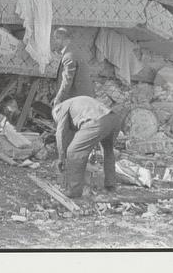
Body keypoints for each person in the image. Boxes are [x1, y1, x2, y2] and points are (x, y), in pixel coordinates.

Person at [53, 95, 121, 198]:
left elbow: (60, 133)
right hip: (113, 118)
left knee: (73, 152)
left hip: (97, 121)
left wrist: (61, 158)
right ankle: (110, 185)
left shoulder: (59, 109)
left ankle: (74, 191)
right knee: (108, 150)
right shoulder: (76, 102)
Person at [51, 27, 95, 171]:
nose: (54, 42)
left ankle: (65, 161)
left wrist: (58, 99)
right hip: (82, 98)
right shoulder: (74, 51)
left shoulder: (69, 55)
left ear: (63, 39)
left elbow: (66, 81)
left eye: (56, 39)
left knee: (64, 130)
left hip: (78, 98)